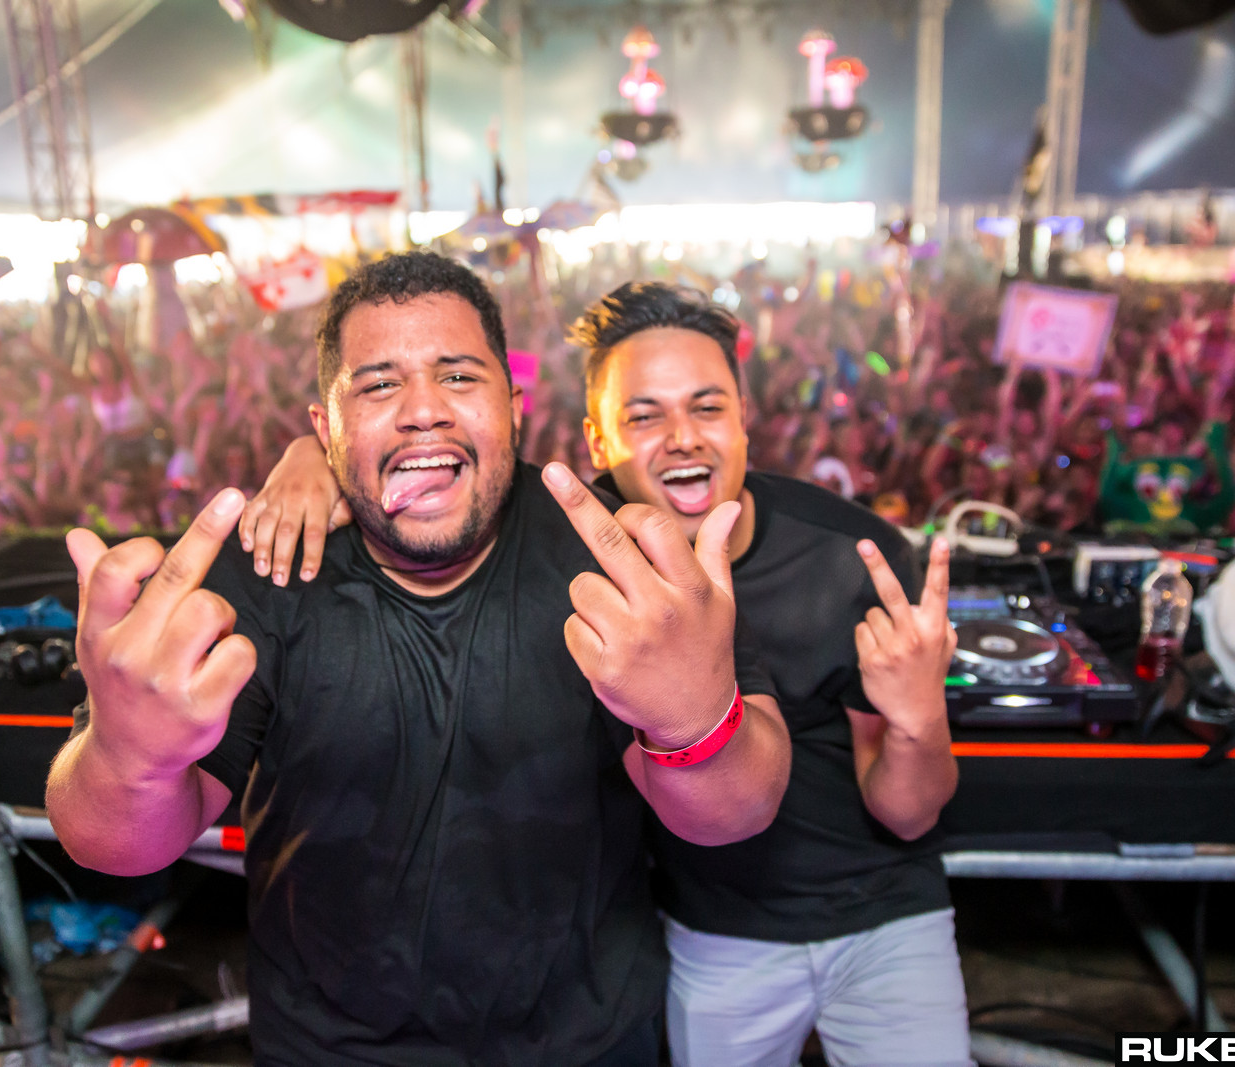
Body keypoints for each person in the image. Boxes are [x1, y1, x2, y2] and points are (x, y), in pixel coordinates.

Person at [47, 253, 791, 1067]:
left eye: (459, 376)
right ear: (325, 429)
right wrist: (130, 761)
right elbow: (113, 844)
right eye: (378, 386)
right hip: (333, 1050)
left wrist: (693, 724)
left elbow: (735, 813)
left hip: (587, 1041)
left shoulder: (617, 557)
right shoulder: (264, 569)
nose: (424, 410)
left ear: (513, 407)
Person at [245, 281, 968, 1067]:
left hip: (884, 915)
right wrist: (314, 461)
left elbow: (908, 814)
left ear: (745, 419)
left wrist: (919, 716)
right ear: (597, 441)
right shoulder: (582, 550)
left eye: (707, 408)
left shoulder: (849, 553)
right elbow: (420, 468)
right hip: (711, 928)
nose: (682, 438)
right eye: (644, 416)